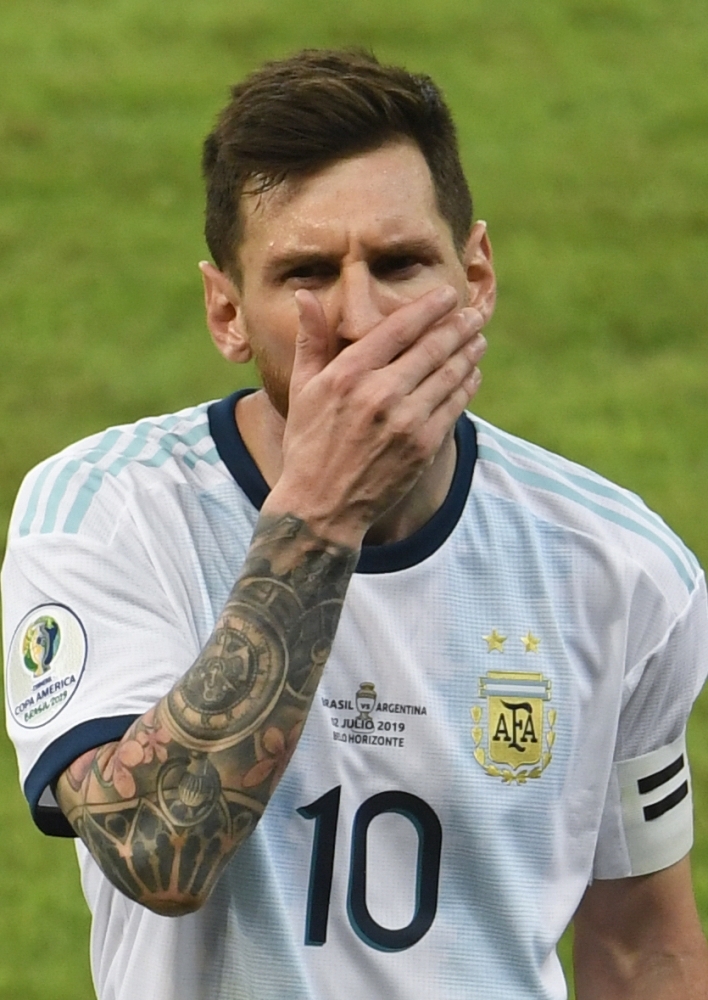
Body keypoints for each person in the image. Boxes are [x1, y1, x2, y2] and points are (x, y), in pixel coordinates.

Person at [3, 48, 708, 1000]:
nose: (362, 317)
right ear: (227, 313)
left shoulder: (621, 567)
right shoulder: (105, 514)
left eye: (401, 262)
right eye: (306, 273)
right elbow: (155, 850)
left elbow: (642, 947)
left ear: (476, 274)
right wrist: (321, 512)